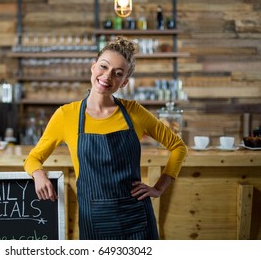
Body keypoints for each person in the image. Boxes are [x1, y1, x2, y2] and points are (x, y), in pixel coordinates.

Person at [23, 36, 188, 240]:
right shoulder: (67, 115)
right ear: (93, 68)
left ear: (124, 82)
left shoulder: (135, 112)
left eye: (117, 73)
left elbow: (179, 147)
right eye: (103, 66)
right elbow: (33, 159)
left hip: (136, 216)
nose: (107, 76)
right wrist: (39, 175)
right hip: (94, 218)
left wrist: (159, 188)